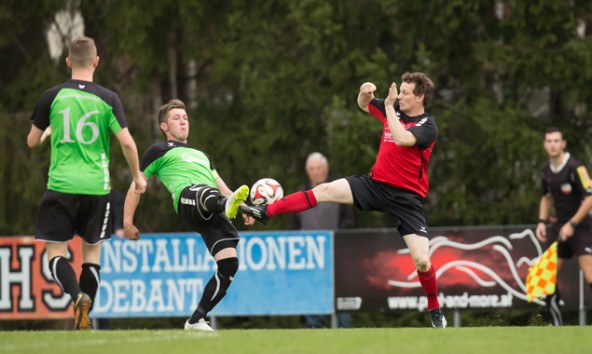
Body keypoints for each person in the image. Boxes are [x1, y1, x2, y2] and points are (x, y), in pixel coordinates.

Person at [242, 72, 447, 328]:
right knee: (324, 190)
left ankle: (435, 309)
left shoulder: (428, 124)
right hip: (374, 185)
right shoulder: (392, 108)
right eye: (400, 92)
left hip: (407, 199)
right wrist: (364, 92)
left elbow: (403, 139)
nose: (400, 96)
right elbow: (363, 104)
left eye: (406, 93)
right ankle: (266, 212)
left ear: (420, 97)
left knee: (422, 260)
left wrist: (387, 107)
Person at [26, 36, 147, 330]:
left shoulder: (52, 96)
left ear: (68, 62)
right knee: (91, 255)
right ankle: (85, 317)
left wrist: (48, 132)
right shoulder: (109, 99)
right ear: (96, 62)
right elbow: (128, 144)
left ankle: (76, 296)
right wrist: (137, 176)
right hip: (97, 188)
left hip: (61, 186)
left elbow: (31, 142)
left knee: (55, 254)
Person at [123, 98, 253, 332]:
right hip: (188, 199)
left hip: (215, 204)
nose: (183, 121)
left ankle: (196, 319)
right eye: (176, 118)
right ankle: (224, 205)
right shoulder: (158, 150)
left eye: (185, 118)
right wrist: (127, 221)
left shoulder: (202, 155)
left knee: (229, 265)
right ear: (164, 127)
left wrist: (245, 208)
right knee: (204, 192)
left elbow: (223, 188)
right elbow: (137, 184)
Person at [535, 127, 592, 326]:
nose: (553, 145)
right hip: (560, 228)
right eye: (549, 141)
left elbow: (590, 198)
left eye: (556, 141)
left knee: (590, 274)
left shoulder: (577, 167)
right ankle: (556, 324)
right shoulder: (546, 171)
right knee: (545, 277)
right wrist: (542, 221)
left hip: (582, 226)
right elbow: (546, 196)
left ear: (563, 144)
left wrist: (572, 224)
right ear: (545, 144)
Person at [295, 152, 355, 328]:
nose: (315, 172)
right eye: (312, 169)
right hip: (309, 259)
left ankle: (345, 329)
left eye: (319, 168)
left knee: (341, 296)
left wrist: (334, 240)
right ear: (307, 171)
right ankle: (315, 329)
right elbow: (295, 227)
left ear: (326, 169)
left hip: (336, 256)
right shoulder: (300, 195)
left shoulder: (339, 192)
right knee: (312, 296)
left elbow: (348, 223)